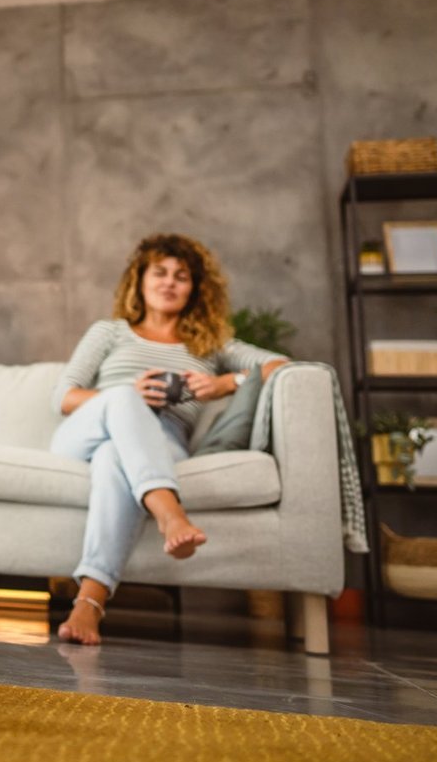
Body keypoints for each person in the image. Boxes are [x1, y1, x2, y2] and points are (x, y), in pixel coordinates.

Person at [49, 233, 286, 646]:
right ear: (139, 281)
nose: (170, 282)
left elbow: (282, 366)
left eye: (182, 276)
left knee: (113, 459)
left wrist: (224, 383)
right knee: (122, 401)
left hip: (161, 444)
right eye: (159, 272)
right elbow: (64, 396)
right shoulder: (111, 332)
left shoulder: (210, 345)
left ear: (195, 289)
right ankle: (169, 512)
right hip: (86, 433)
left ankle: (89, 603)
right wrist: (125, 398)